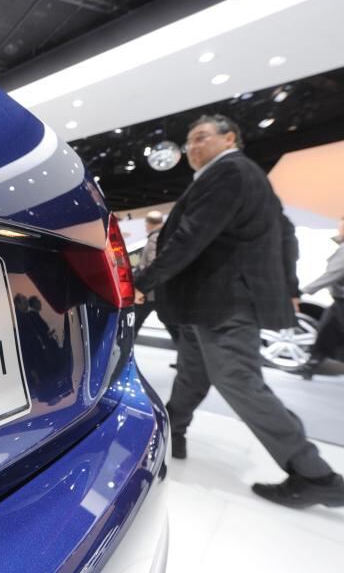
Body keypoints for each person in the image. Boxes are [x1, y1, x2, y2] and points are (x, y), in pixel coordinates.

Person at [134, 114, 344, 508]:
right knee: (193, 372)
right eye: (189, 142)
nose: (192, 147)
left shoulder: (228, 172)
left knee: (237, 379)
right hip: (206, 302)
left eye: (201, 137)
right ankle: (173, 432)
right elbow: (285, 232)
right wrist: (290, 286)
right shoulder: (246, 176)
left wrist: (143, 282)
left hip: (222, 301)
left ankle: (314, 474)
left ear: (229, 138)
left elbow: (190, 237)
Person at [298, 216, 344, 377]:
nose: (340, 229)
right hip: (339, 302)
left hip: (341, 303)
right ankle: (311, 366)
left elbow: (333, 273)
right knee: (327, 332)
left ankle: (311, 366)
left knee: (327, 332)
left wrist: (304, 291)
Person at [133, 211, 179, 345]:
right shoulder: (165, 236)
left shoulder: (155, 239)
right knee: (174, 327)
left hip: (151, 292)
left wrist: (142, 288)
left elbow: (154, 264)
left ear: (148, 224)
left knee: (133, 325)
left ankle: (123, 354)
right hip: (157, 291)